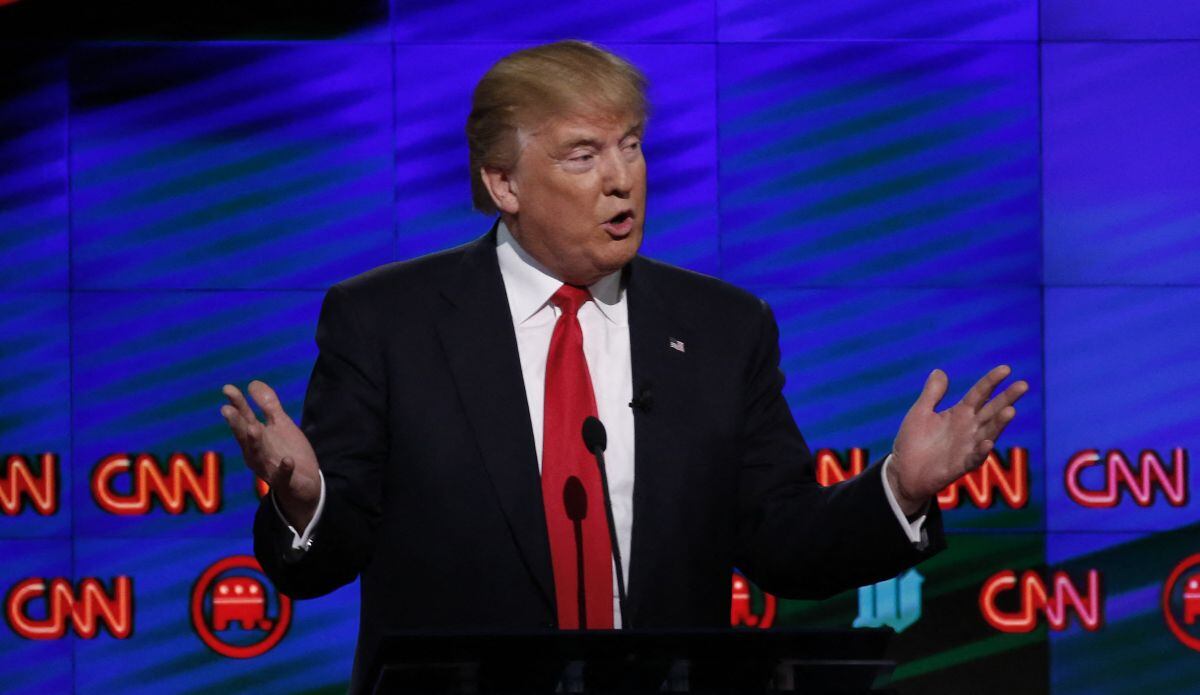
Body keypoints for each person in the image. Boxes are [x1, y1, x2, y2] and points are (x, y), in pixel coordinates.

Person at [219, 40, 1027, 692]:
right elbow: (327, 556)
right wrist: (304, 501)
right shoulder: (387, 322)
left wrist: (901, 489)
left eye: (630, 146)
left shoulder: (721, 327)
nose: (621, 179)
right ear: (503, 182)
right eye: (582, 155)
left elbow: (779, 540)